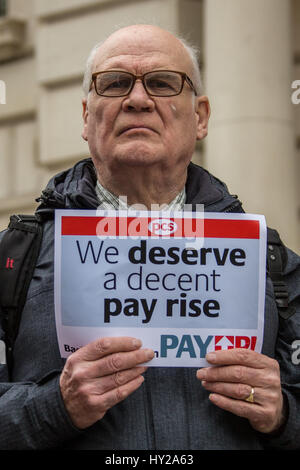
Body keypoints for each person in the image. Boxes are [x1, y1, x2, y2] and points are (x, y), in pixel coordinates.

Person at [0, 24, 299, 450]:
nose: (137, 99)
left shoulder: (273, 264)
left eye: (162, 83)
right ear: (87, 116)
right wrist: (54, 407)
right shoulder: (12, 261)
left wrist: (282, 413)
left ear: (200, 117)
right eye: (116, 83)